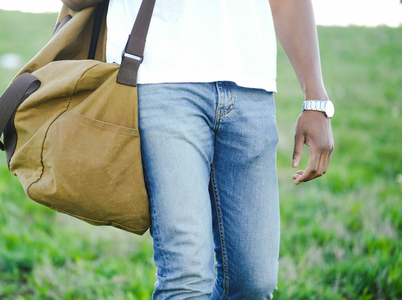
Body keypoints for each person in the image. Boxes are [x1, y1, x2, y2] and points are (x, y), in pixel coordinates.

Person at [62, 0, 334, 299]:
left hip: (251, 84)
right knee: (186, 278)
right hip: (160, 80)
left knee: (254, 284)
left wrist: (315, 99)